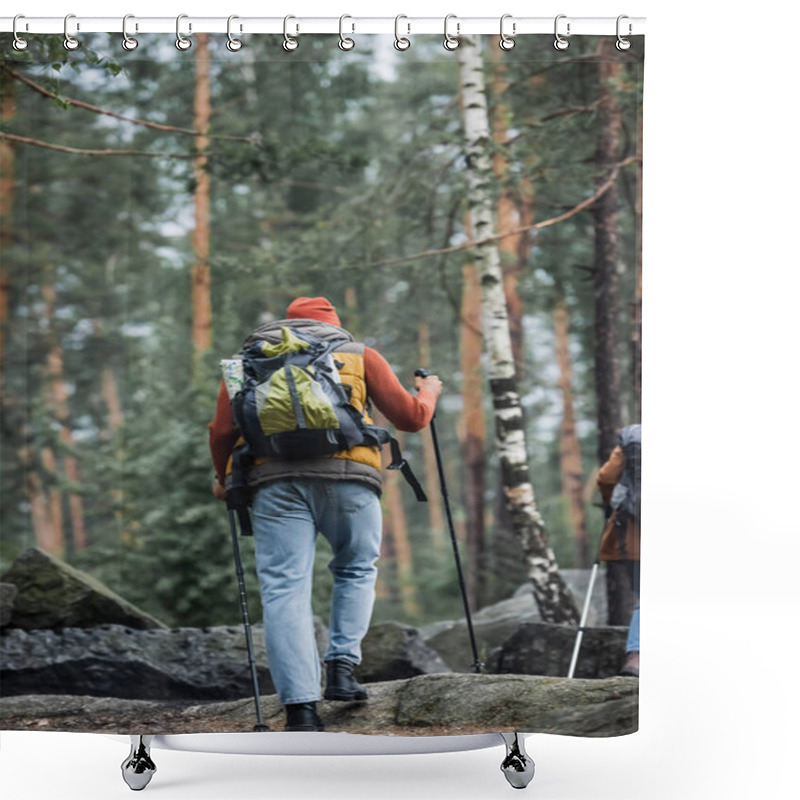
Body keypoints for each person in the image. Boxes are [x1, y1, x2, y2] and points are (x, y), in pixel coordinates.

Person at [208, 296, 443, 731]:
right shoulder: (358, 355)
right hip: (350, 479)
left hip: (274, 484)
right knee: (355, 569)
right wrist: (428, 391)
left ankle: (300, 710)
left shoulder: (245, 360)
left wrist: (224, 479)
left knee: (284, 589)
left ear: (288, 322)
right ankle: (341, 668)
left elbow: (222, 429)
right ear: (335, 325)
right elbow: (411, 419)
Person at [597, 424, 641, 678]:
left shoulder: (634, 438)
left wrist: (611, 505)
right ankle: (637, 657)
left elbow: (606, 478)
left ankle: (637, 658)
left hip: (633, 533)